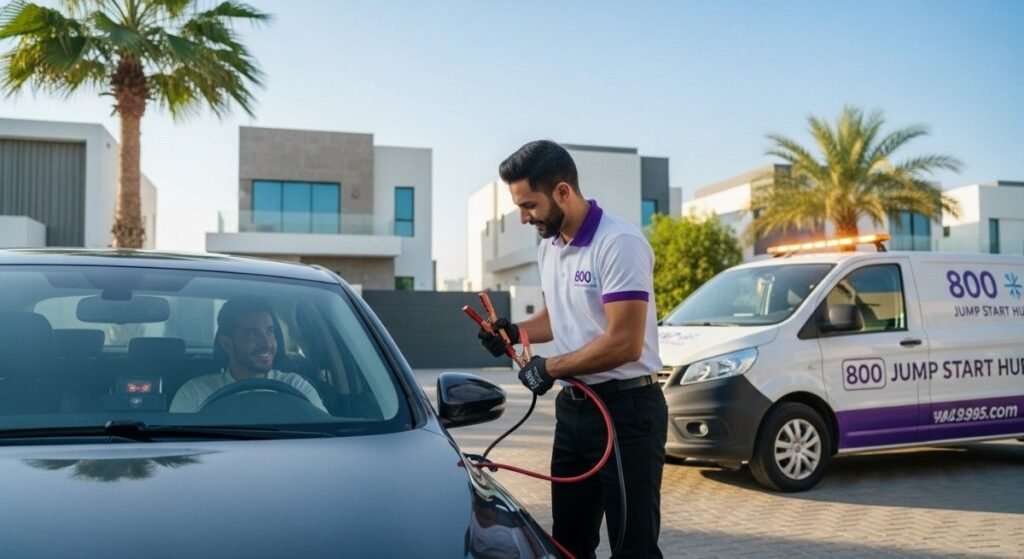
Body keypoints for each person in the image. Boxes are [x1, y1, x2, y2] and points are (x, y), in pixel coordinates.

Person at [479, 140, 668, 558]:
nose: (525, 217)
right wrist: (514, 332)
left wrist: (549, 369)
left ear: (563, 191)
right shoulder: (550, 245)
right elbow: (559, 316)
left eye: (530, 205)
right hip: (575, 411)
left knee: (632, 549)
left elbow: (625, 342)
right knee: (568, 542)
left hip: (628, 411)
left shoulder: (618, 243)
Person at [170, 296, 327, 413]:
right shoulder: (195, 393)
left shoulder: (296, 387)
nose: (267, 343)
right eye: (253, 334)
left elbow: (323, 438)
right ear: (227, 344)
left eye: (270, 331)